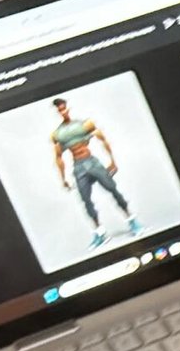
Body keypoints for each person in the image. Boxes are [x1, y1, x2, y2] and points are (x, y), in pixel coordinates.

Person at [49, 96, 139, 250]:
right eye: (60, 110)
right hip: (78, 167)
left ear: (68, 108)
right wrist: (63, 179)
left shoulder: (84, 125)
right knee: (86, 200)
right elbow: (58, 157)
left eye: (64, 108)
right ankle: (100, 232)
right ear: (58, 112)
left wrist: (112, 160)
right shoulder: (58, 134)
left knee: (112, 189)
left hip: (92, 162)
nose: (63, 111)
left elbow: (102, 139)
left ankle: (132, 221)